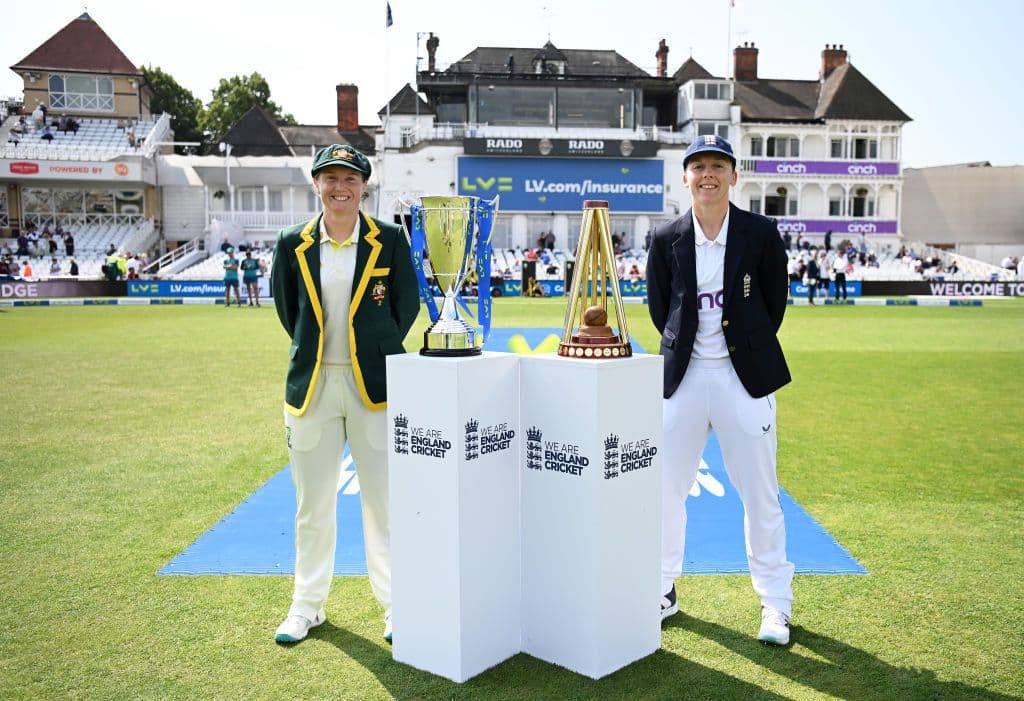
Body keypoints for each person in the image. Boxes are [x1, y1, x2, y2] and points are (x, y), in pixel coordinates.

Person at [646, 135, 794, 645]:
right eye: (698, 166)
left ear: (734, 176)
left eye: (718, 166)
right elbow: (660, 307)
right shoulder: (667, 237)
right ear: (684, 177)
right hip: (682, 379)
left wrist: (743, 346)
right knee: (664, 490)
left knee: (760, 495)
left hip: (743, 378)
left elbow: (774, 304)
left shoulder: (760, 232)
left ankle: (776, 605)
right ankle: (662, 589)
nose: (708, 174)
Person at [271, 144, 419, 646]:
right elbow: (287, 310)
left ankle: (397, 607)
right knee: (312, 506)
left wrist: (372, 350)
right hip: (312, 386)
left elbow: (406, 305)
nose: (340, 187)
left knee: (383, 503)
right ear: (316, 184)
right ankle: (306, 607)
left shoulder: (391, 239)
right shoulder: (292, 242)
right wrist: (322, 354)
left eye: (349, 179)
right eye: (330, 178)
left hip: (373, 387)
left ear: (363, 187)